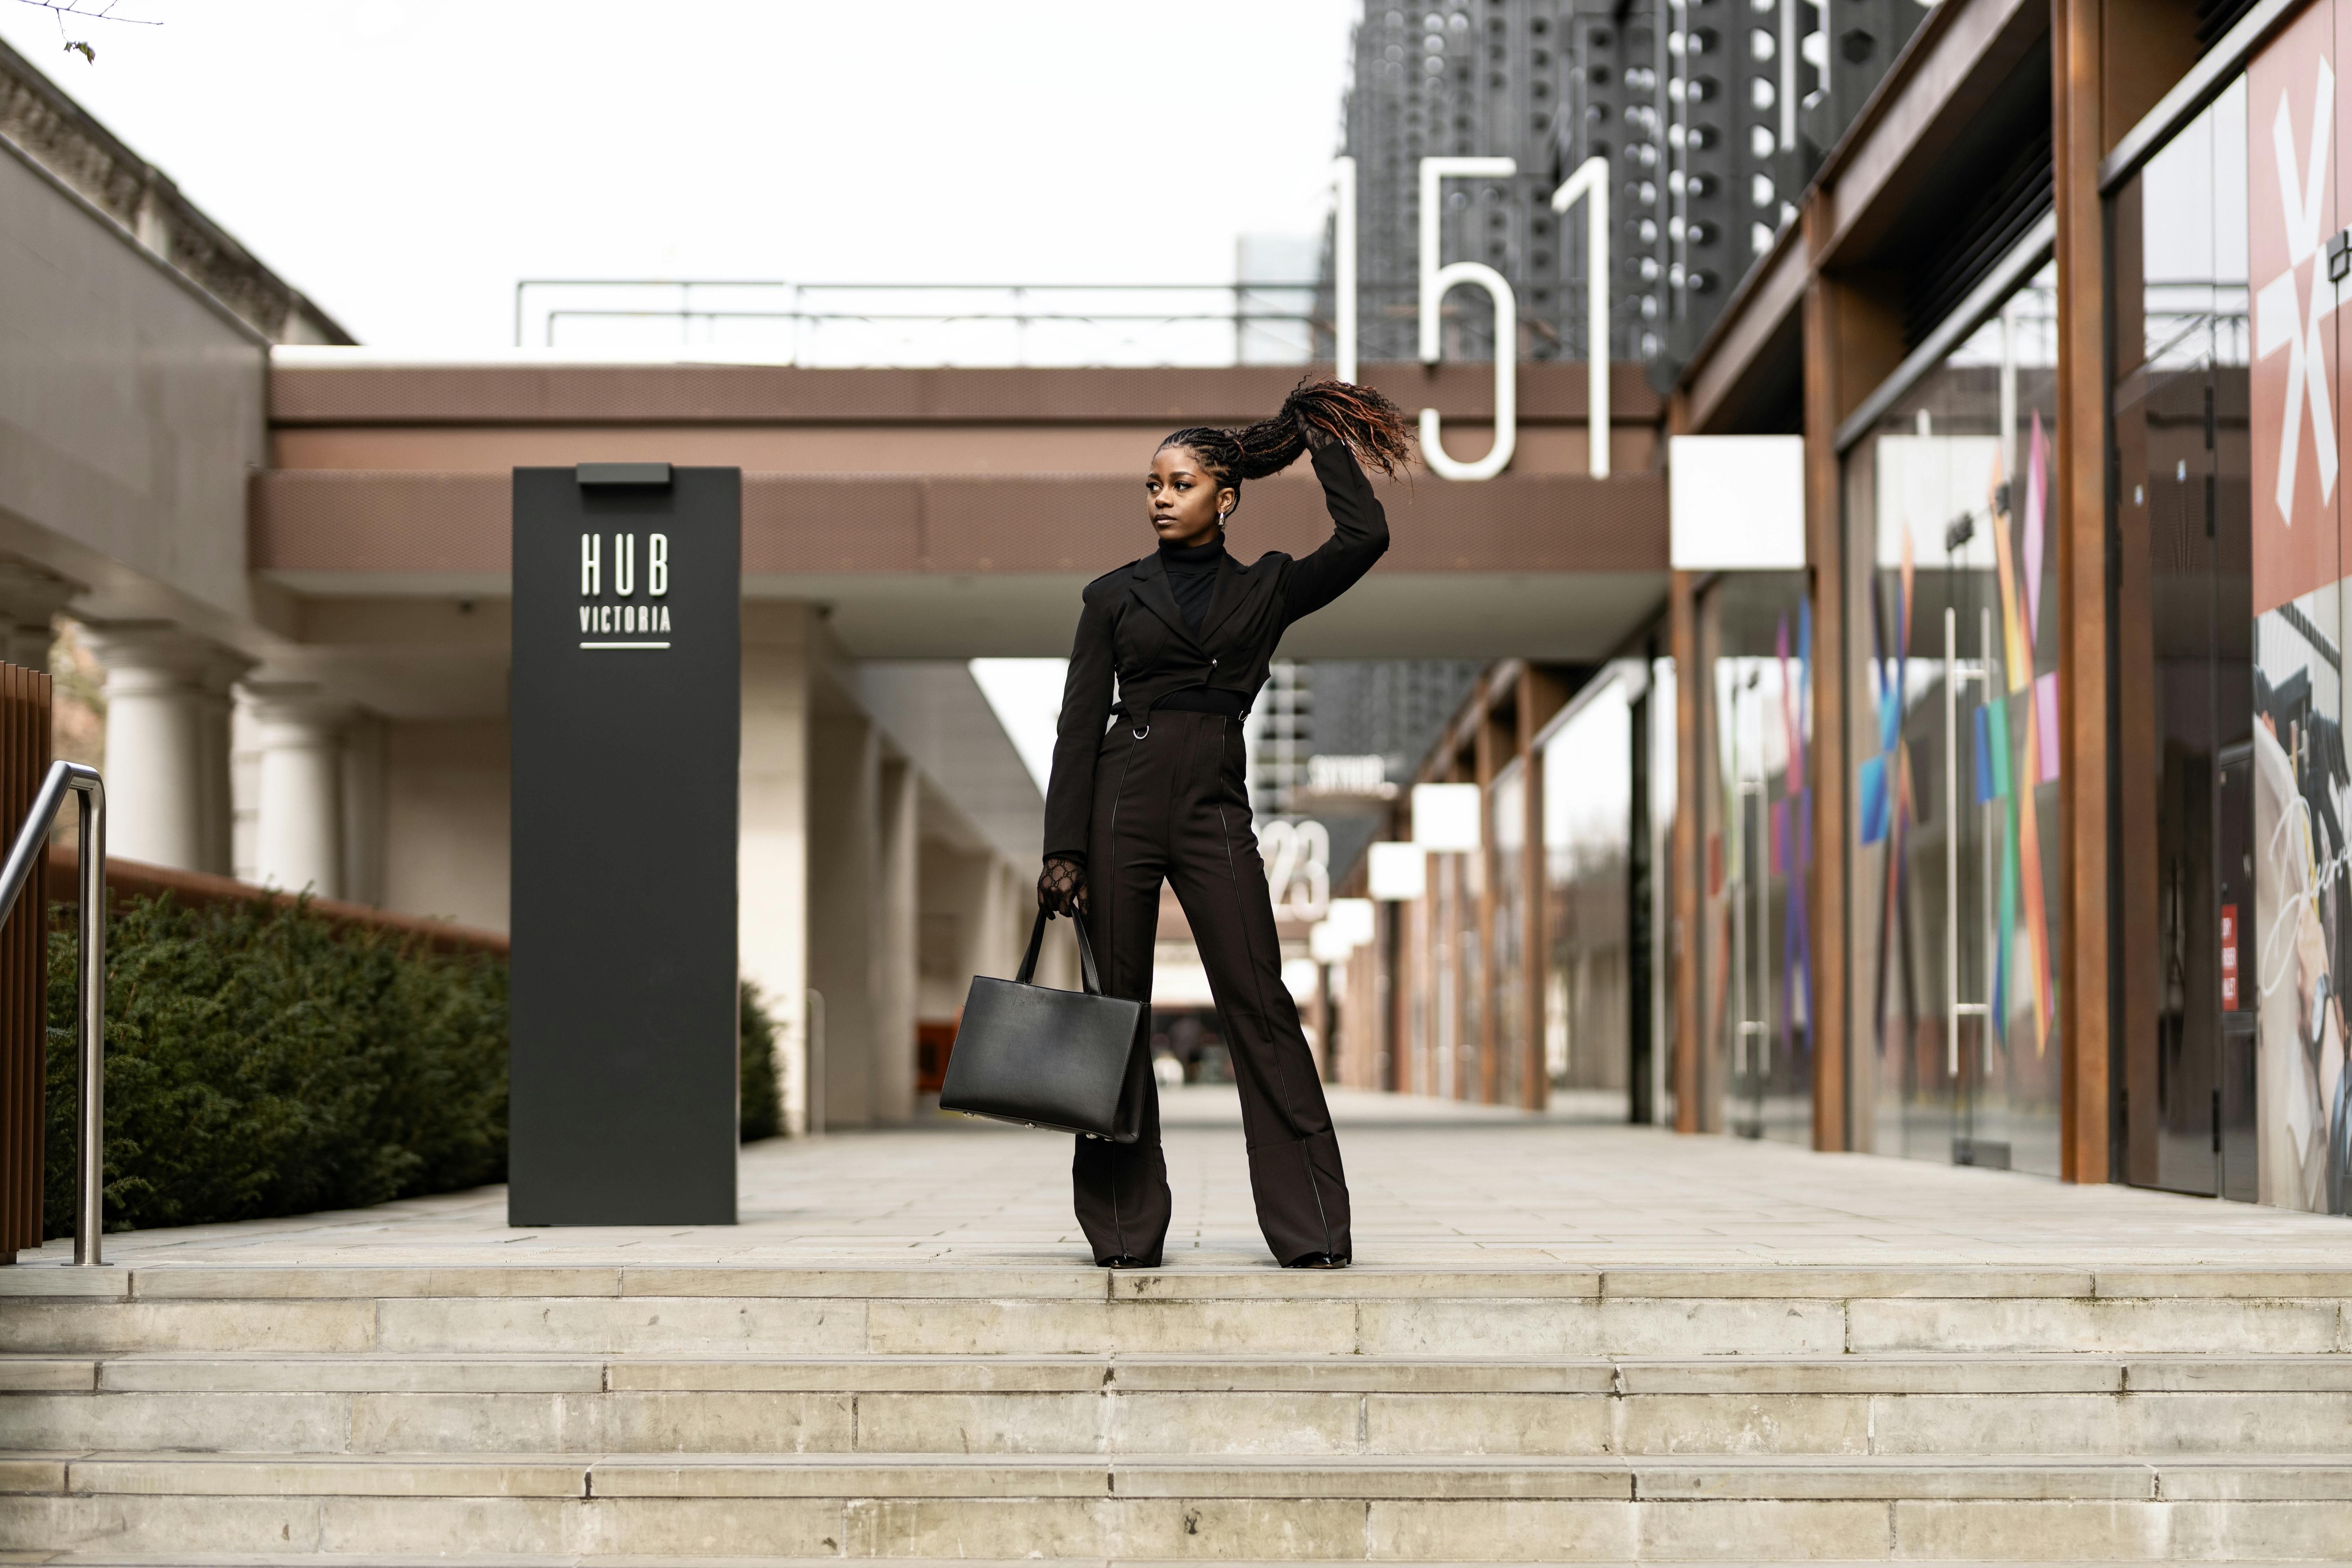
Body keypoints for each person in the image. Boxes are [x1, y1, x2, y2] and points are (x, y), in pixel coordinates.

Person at [1037, 380, 1413, 1269]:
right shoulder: (1112, 597)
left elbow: (1366, 537)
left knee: (1260, 1000)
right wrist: (1063, 848)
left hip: (1216, 803)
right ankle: (1126, 1228)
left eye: (1180, 483)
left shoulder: (1271, 588)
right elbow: (1075, 724)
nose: (1162, 498)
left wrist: (1324, 438)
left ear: (1226, 495)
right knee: (1117, 1011)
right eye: (1153, 485)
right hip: (1119, 800)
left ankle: (1313, 1225)